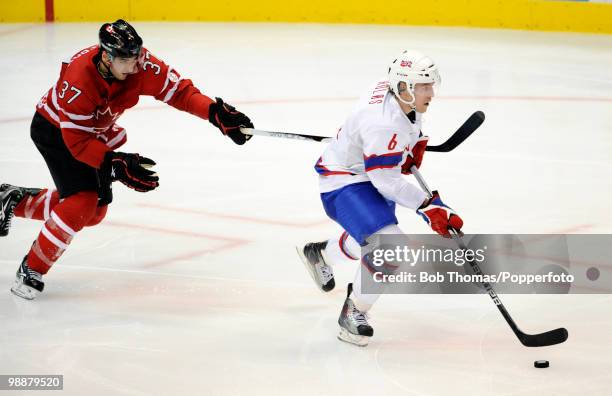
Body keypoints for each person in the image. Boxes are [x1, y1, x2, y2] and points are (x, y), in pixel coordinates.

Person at [0, 19, 254, 300]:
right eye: (127, 60)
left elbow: (180, 92)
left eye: (137, 56)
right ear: (107, 57)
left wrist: (214, 113)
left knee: (94, 211)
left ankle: (15, 200)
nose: (136, 65)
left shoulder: (139, 64)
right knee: (81, 202)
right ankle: (31, 269)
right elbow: (78, 143)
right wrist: (115, 163)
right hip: (56, 131)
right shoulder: (78, 82)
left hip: (94, 134)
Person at [296, 50, 464, 346]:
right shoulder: (384, 124)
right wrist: (429, 207)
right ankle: (353, 312)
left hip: (365, 167)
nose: (431, 93)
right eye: (424, 87)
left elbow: (396, 134)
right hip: (342, 181)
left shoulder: (397, 93)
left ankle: (321, 254)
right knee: (390, 247)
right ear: (403, 88)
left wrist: (411, 145)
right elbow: (386, 181)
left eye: (429, 85)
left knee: (374, 239)